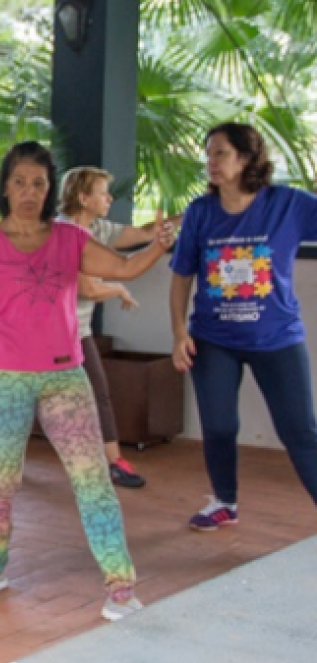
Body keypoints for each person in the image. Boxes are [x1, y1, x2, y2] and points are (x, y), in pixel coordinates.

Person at [0, 141, 173, 621]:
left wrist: (159, 245)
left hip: (64, 378)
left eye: (39, 183)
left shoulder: (69, 240)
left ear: (50, 190)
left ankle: (121, 588)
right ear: (6, 187)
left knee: (92, 482)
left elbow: (125, 267)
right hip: (3, 381)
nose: (29, 191)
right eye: (20, 182)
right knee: (1, 481)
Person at [169, 122, 317, 530]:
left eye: (221, 153)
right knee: (218, 426)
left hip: (278, 339)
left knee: (299, 430)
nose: (211, 162)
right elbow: (181, 276)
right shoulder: (201, 213)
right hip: (213, 340)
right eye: (209, 154)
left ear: (247, 158)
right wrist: (180, 333)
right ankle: (224, 502)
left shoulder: (287, 203)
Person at [59, 166, 180, 489]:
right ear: (83, 198)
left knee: (97, 392)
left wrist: (180, 220)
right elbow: (87, 288)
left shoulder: (97, 228)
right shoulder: (63, 233)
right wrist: (118, 289)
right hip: (47, 335)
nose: (109, 198)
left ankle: (114, 463)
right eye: (102, 192)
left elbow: (140, 234)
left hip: (76, 330)